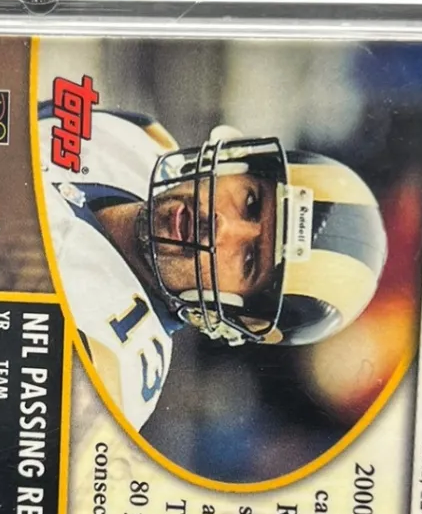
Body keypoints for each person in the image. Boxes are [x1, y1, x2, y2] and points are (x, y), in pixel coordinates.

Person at [38, 75, 388, 431]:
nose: (222, 227)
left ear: (239, 314)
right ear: (238, 167)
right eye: (250, 202)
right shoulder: (137, 138)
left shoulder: (109, 376)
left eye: (249, 260)